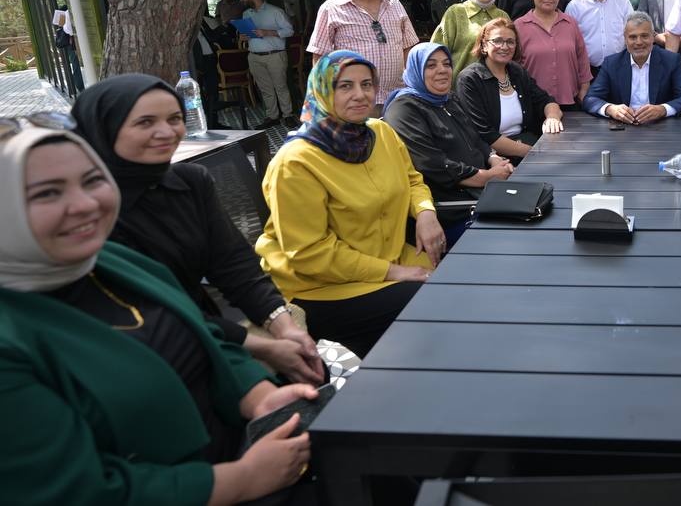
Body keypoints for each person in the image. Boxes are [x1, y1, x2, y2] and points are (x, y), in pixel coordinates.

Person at [1, 122, 315, 504]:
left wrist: (258, 395)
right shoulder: (12, 336)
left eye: (90, 180)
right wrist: (242, 479)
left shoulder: (108, 261)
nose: (85, 204)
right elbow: (75, 492)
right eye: (47, 193)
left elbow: (199, 333)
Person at [70, 74, 324, 385]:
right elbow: (149, 310)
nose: (166, 132)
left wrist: (281, 324)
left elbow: (233, 264)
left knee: (311, 368)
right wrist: (265, 346)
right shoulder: (86, 212)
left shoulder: (190, 182)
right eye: (145, 122)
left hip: (206, 320)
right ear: (105, 128)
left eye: (174, 118)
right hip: (141, 346)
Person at [255, 51, 443, 358]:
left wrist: (425, 211)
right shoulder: (296, 162)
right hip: (320, 286)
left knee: (461, 289)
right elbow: (310, 254)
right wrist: (392, 272)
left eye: (367, 84)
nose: (360, 95)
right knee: (432, 308)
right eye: (345, 86)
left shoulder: (379, 132)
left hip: (389, 258)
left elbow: (411, 179)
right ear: (322, 90)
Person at [384, 43, 515, 248]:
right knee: (516, 238)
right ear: (416, 70)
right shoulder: (404, 109)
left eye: (446, 64)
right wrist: (486, 177)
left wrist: (493, 157)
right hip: (452, 209)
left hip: (484, 195)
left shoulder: (448, 99)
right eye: (431, 65)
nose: (442, 70)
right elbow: (432, 164)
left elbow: (475, 137)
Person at [307, 0, 419, 108]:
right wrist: (325, 99)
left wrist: (412, 86)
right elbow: (320, 56)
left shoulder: (395, 4)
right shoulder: (331, 8)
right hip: (355, 102)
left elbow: (408, 47)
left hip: (397, 97)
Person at [456, 17, 565, 160]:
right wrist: (534, 153)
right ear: (484, 45)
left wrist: (552, 117)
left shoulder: (516, 71)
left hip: (528, 143)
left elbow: (546, 100)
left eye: (510, 42)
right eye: (497, 41)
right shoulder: (469, 79)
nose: (505, 47)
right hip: (495, 156)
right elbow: (484, 133)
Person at [584, 11, 681, 122]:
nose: (639, 42)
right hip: (622, 129)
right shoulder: (611, 63)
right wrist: (611, 109)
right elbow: (590, 99)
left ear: (653, 37)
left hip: (661, 128)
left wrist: (663, 109)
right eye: (633, 37)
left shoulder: (671, 61)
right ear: (625, 39)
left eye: (644, 36)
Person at [514, 0, 593, 109]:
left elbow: (582, 58)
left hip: (569, 100)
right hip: (533, 102)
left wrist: (584, 88)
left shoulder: (570, 23)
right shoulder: (519, 26)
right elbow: (513, 65)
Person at [430, 0, 509, 83]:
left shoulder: (502, 16)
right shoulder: (455, 13)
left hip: (496, 92)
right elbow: (436, 53)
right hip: (458, 91)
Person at [240, 0, 295, 128]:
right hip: (254, 56)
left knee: (281, 86)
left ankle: (288, 115)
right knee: (265, 88)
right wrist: (245, 36)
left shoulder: (275, 11)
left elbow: (289, 31)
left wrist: (268, 32)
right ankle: (273, 116)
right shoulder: (246, 14)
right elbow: (248, 34)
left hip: (275, 55)